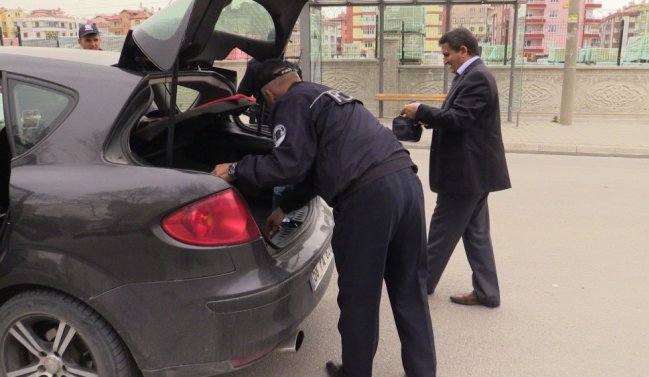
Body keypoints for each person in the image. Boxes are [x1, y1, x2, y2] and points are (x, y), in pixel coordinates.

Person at [213, 59, 436, 377]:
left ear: (268, 94)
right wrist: (284, 208)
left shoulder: (289, 103)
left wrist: (234, 169)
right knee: (409, 288)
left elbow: (289, 164)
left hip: (367, 199)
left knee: (360, 296)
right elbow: (315, 167)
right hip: (405, 183)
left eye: (262, 104)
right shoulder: (323, 95)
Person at [401, 28, 511, 308]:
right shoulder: (471, 76)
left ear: (463, 50)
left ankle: (420, 284)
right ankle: (488, 293)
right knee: (476, 235)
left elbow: (459, 119)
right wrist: (427, 116)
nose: (445, 60)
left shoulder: (478, 78)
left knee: (441, 231)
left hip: (466, 176)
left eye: (447, 54)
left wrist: (422, 111)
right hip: (473, 175)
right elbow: (458, 118)